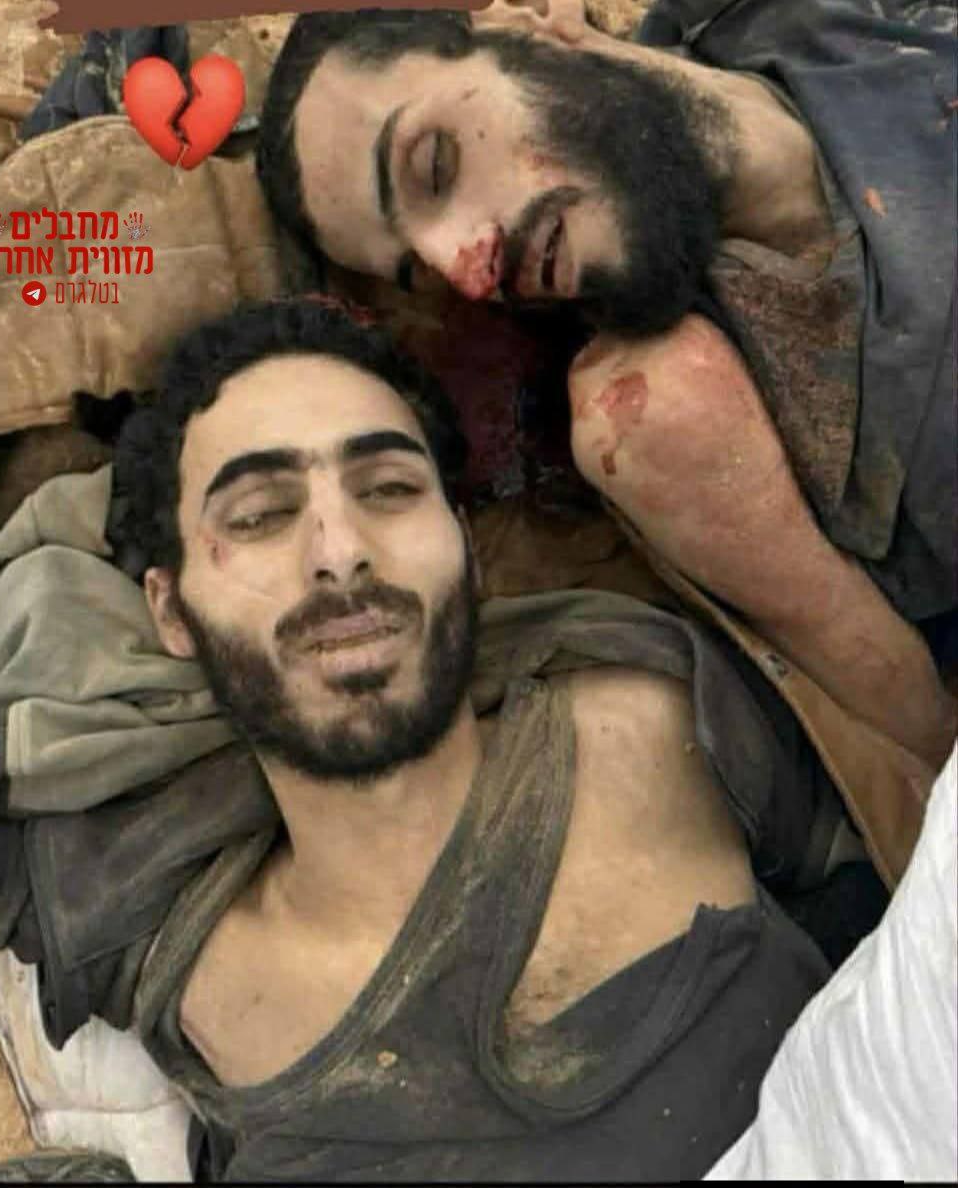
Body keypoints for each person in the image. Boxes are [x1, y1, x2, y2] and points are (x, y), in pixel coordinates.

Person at [0, 297, 863, 1181]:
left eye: (389, 488)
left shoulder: (653, 708)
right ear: (169, 611)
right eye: (260, 515)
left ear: (466, 547)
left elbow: (896, 859)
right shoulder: (159, 928)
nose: (340, 551)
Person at [255, 0, 958, 768]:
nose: (467, 270)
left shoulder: (781, 19)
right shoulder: (674, 406)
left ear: (520, 26)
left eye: (435, 166)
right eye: (420, 273)